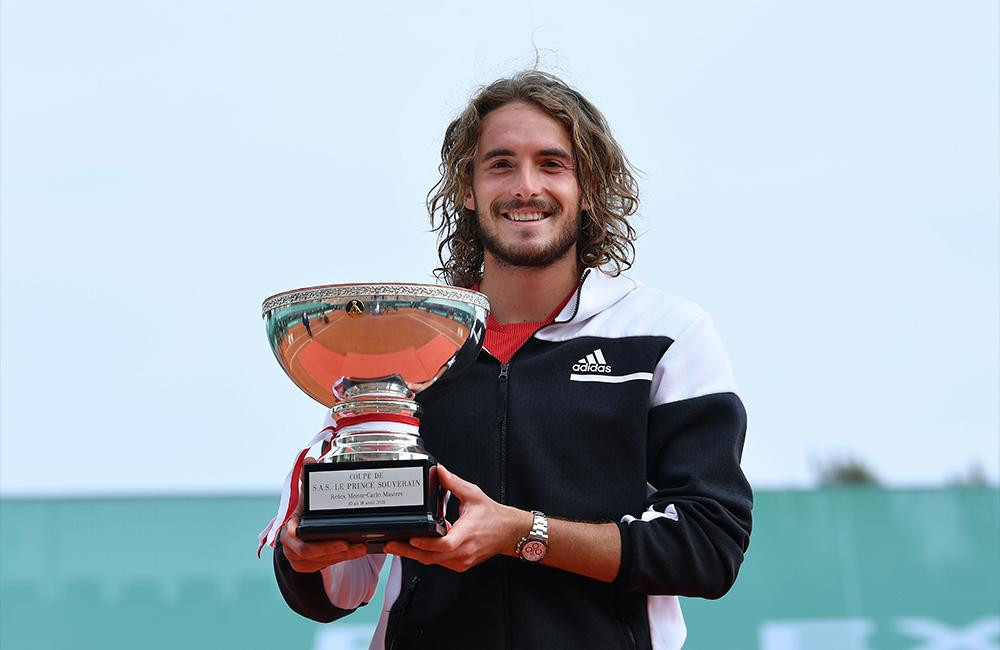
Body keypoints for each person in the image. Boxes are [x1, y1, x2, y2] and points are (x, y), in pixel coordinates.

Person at [269, 71, 753, 650]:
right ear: (466, 188)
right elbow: (336, 591)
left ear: (589, 187)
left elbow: (707, 547)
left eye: (552, 163)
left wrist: (524, 533)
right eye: (500, 164)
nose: (526, 186)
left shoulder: (664, 334)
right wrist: (307, 554)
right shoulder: (404, 340)